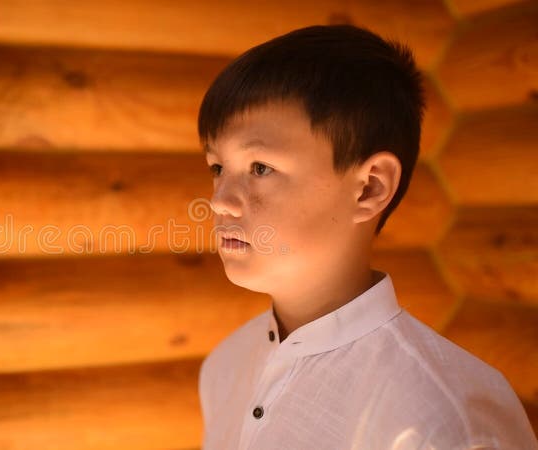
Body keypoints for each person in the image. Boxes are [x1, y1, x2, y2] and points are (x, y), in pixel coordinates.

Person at [196, 24, 538, 449]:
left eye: (260, 168)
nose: (220, 201)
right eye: (217, 168)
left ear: (370, 187)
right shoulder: (225, 366)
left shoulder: (440, 418)